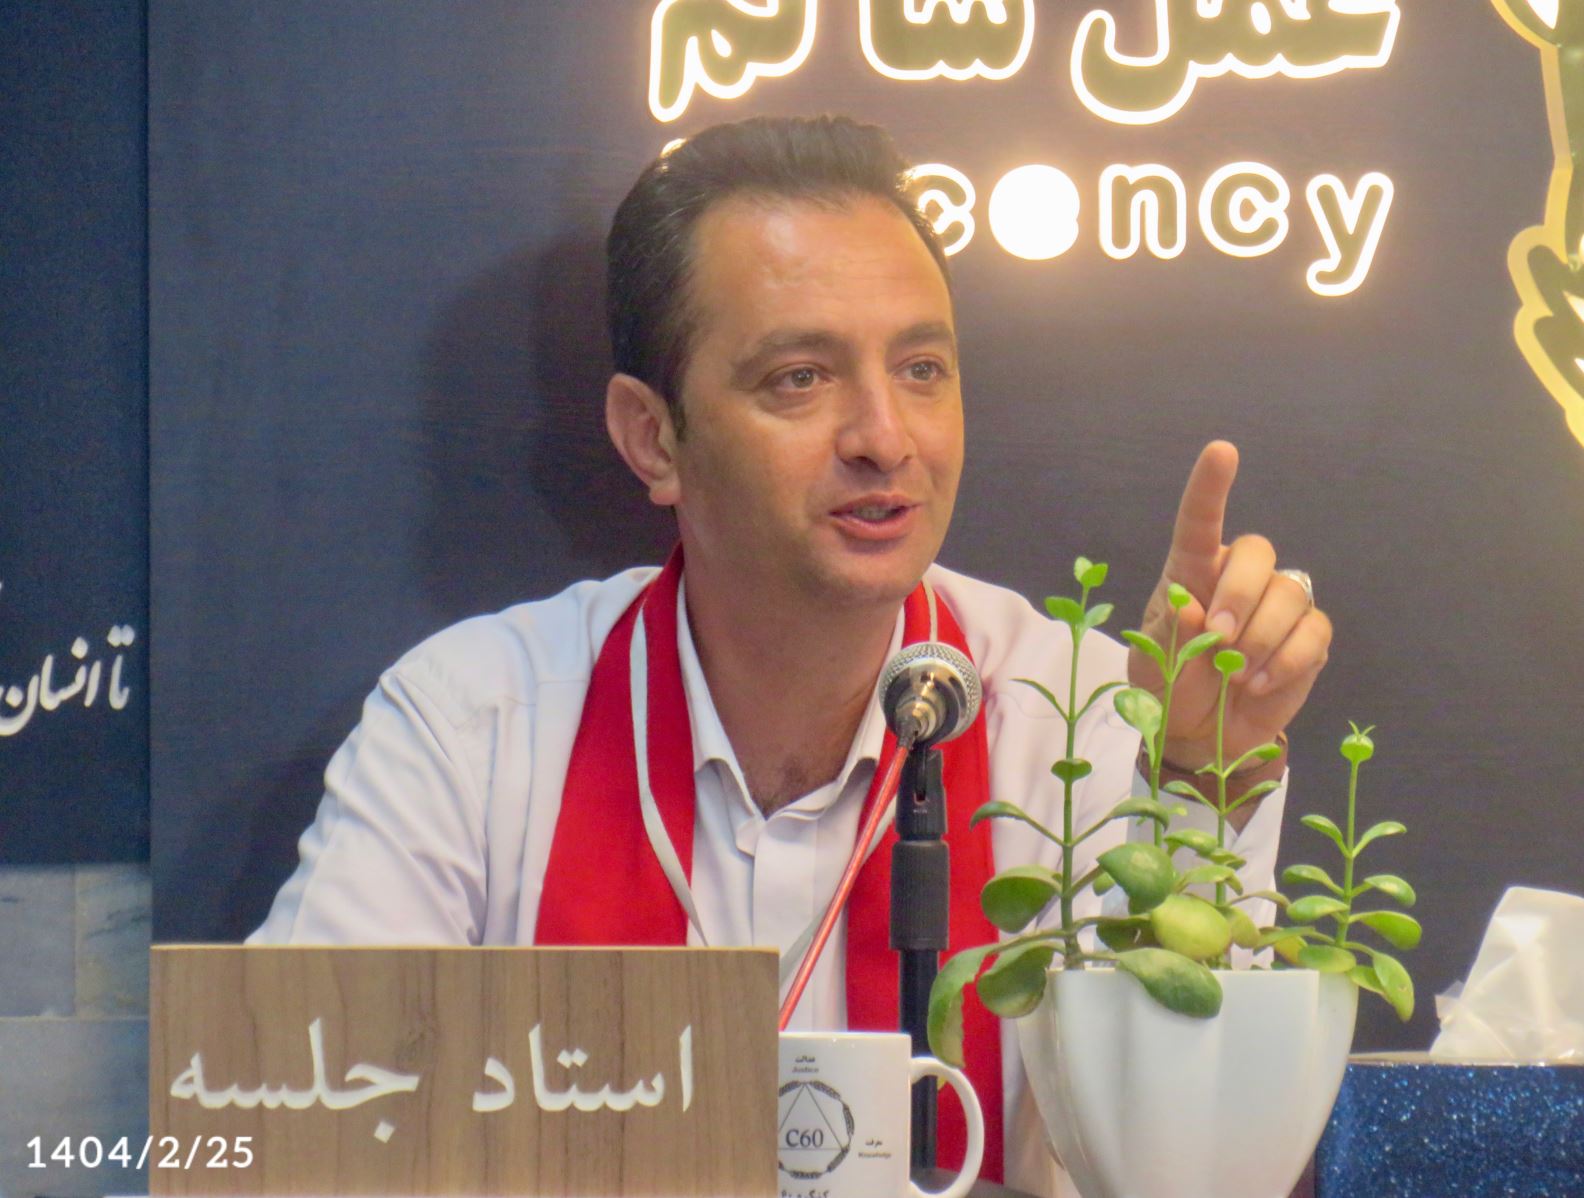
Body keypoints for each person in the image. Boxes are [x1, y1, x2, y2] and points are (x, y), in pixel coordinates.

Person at [250, 114, 1331, 1195]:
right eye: (799, 378)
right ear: (653, 437)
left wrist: (1196, 778)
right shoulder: (476, 724)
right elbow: (287, 1136)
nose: (884, 438)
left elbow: (1200, 1170)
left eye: (921, 368)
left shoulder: (1083, 717)